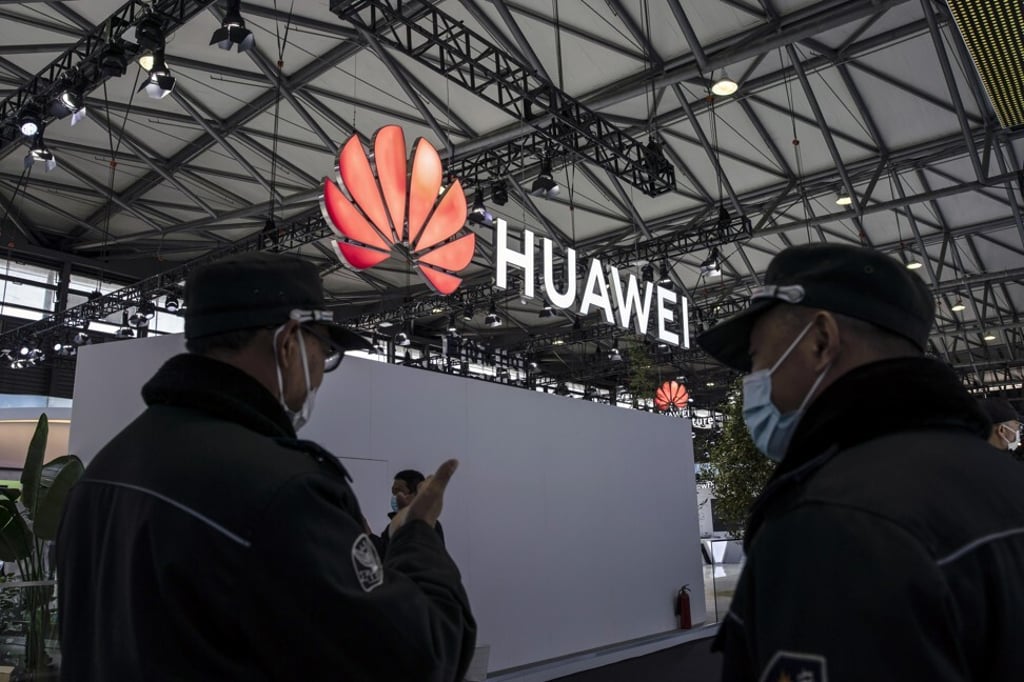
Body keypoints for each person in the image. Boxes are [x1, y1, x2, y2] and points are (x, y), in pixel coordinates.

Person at [56, 253, 476, 681]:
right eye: (324, 351)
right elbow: (423, 655)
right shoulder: (284, 491)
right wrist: (418, 533)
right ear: (289, 341)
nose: (320, 374)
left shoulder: (101, 473)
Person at [697, 242, 1024, 681]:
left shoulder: (832, 520)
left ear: (820, 341)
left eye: (757, 358)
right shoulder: (1001, 478)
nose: (752, 382)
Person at [379, 470, 446, 557]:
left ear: (416, 494)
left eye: (399, 491)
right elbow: (383, 553)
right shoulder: (392, 526)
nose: (395, 496)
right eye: (393, 492)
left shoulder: (430, 525)